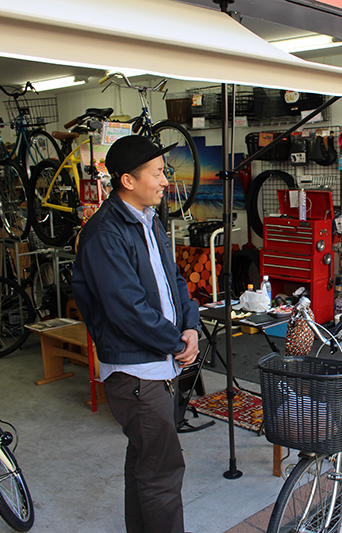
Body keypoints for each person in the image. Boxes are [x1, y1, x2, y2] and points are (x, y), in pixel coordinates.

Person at [73, 135, 201, 533]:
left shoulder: (149, 221)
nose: (166, 181)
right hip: (136, 373)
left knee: (144, 464)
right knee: (162, 471)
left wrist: (192, 326)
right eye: (158, 172)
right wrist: (175, 342)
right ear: (128, 180)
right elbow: (126, 310)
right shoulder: (105, 233)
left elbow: (175, 282)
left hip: (157, 364)